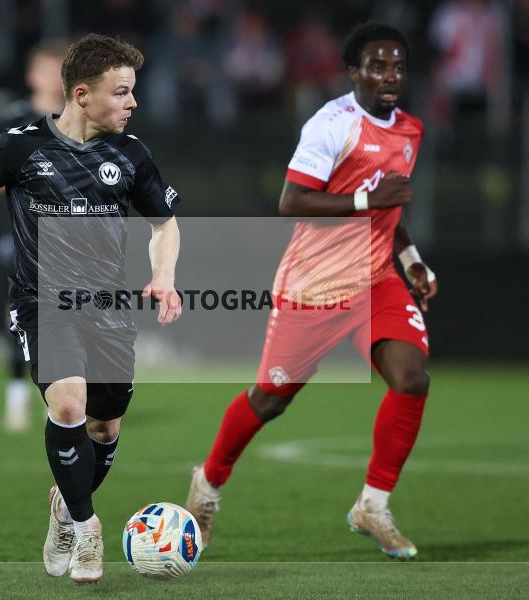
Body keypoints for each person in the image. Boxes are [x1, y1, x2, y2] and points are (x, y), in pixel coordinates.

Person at [0, 34, 183, 583]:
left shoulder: (132, 154)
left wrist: (163, 275)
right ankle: (87, 528)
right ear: (83, 94)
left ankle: (65, 506)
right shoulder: (19, 147)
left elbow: (164, 223)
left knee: (105, 428)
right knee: (68, 404)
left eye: (133, 92)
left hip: (109, 310)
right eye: (123, 92)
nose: (133, 103)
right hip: (42, 302)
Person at [185, 22, 438, 560]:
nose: (390, 76)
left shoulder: (410, 130)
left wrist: (411, 259)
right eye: (377, 65)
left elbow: (388, 205)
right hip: (315, 287)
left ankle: (373, 504)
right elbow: (293, 202)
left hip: (376, 280)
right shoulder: (331, 124)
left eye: (397, 66)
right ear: (354, 72)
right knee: (270, 400)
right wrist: (370, 203)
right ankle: (207, 485)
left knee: (412, 378)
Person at [0, 40, 70, 432]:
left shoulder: (76, 119)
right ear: (31, 75)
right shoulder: (17, 119)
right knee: (21, 316)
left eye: (60, 68)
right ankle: (16, 398)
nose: (54, 76)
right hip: (24, 237)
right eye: (47, 68)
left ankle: (57, 399)